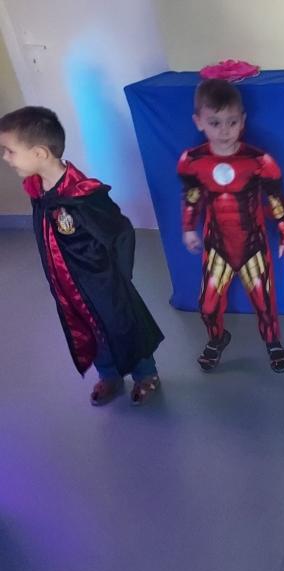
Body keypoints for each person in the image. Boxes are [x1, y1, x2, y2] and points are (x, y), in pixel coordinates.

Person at [0, 106, 163, 405]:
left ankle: (146, 374)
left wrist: (118, 277)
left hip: (103, 282)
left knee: (122, 325)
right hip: (66, 283)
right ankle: (110, 375)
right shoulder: (39, 191)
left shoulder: (83, 196)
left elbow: (121, 232)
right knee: (88, 328)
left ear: (39, 153)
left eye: (9, 151)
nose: (5, 157)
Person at [178, 79, 284, 373]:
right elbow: (192, 196)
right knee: (207, 306)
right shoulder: (192, 161)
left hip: (253, 245)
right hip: (216, 245)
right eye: (215, 123)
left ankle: (273, 343)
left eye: (232, 122)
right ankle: (217, 338)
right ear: (199, 122)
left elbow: (277, 200)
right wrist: (188, 228)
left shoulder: (260, 161)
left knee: (264, 303)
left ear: (243, 121)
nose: (224, 130)